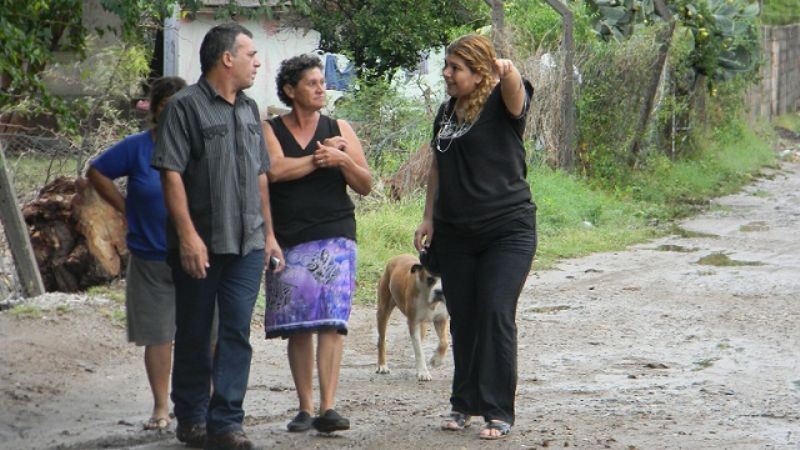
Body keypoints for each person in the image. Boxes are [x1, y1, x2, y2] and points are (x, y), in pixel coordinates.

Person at [151, 23, 283, 450]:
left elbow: (261, 177)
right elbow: (171, 173)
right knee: (194, 331)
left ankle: (226, 422)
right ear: (227, 58)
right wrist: (188, 236)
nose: (257, 62)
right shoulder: (184, 107)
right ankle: (192, 417)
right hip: (202, 243)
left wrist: (270, 235)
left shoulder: (250, 109)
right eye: (251, 54)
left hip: (248, 244)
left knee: (236, 332)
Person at [413, 34, 537, 441]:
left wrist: (508, 70)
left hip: (507, 230)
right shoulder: (446, 112)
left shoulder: (502, 102)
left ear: (479, 73)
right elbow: (437, 166)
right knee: (464, 317)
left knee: (495, 312)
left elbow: (517, 95)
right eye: (446, 66)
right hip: (456, 233)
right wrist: (428, 218)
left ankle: (498, 410)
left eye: (456, 68)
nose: (446, 74)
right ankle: (464, 402)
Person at [261, 54, 372, 433]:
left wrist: (341, 159)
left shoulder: (339, 128)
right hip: (289, 238)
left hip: (336, 233)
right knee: (298, 325)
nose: (321, 88)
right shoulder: (270, 129)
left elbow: (365, 183)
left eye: (322, 82)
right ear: (290, 90)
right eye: (312, 83)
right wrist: (318, 158)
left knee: (331, 321)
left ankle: (328, 407)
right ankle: (305, 408)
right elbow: (275, 170)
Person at [87, 76, 187, 432]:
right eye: (166, 107)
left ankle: (200, 403)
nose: (173, 115)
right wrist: (124, 207)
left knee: (206, 334)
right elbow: (97, 171)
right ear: (155, 111)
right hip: (150, 254)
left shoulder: (200, 145)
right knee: (158, 334)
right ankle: (161, 407)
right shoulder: (138, 147)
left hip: (196, 254)